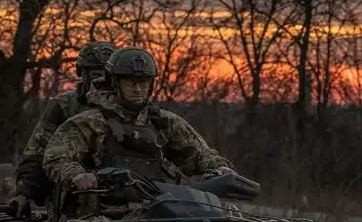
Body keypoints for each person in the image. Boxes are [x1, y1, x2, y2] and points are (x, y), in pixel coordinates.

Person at [42, 47, 235, 196]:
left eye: (143, 83)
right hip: (100, 219)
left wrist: (219, 168)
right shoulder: (89, 122)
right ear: (115, 84)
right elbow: (56, 157)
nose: (137, 89)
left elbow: (198, 153)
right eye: (130, 82)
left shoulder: (165, 122)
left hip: (160, 213)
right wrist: (76, 174)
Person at [7, 40, 117, 217]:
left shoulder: (130, 108)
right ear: (83, 74)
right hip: (75, 198)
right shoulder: (66, 106)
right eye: (98, 75)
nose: (103, 82)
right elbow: (38, 151)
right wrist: (24, 194)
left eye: (109, 77)